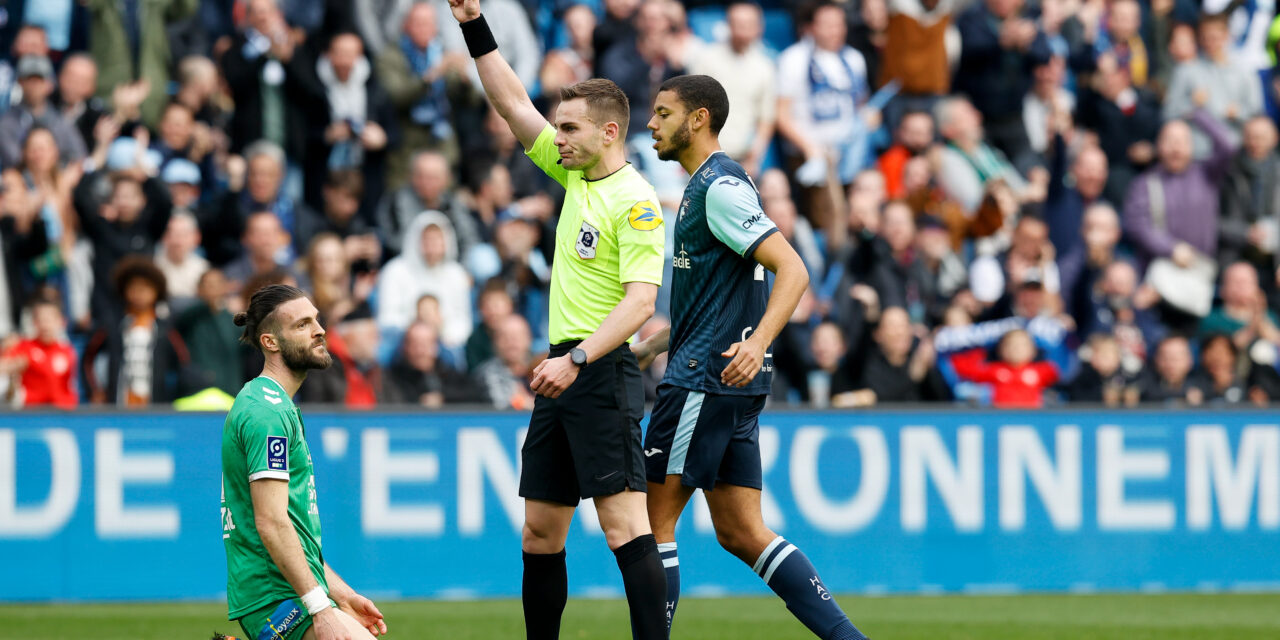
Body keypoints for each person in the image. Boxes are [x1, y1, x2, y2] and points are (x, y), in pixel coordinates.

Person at [447, 2, 669, 639]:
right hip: (560, 372)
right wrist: (472, 23)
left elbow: (640, 304)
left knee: (625, 526)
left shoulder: (637, 202)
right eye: (559, 127)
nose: (558, 136)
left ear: (608, 133)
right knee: (541, 531)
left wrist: (575, 361)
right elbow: (514, 104)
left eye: (570, 127)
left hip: (595, 371)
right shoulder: (575, 180)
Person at [632, 75, 870, 640]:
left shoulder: (717, 187)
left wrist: (759, 340)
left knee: (649, 523)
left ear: (697, 119)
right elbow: (720, 296)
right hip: (726, 380)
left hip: (702, 382)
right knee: (741, 531)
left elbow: (794, 269)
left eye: (663, 113)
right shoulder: (712, 185)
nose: (651, 123)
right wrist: (647, 348)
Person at [220, 284, 388, 640]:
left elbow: (293, 528)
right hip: (278, 597)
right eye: (302, 324)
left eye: (317, 320)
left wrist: (340, 594)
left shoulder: (274, 405)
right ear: (271, 342)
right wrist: (319, 609)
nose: (320, 330)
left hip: (292, 592)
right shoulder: (265, 412)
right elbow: (271, 523)